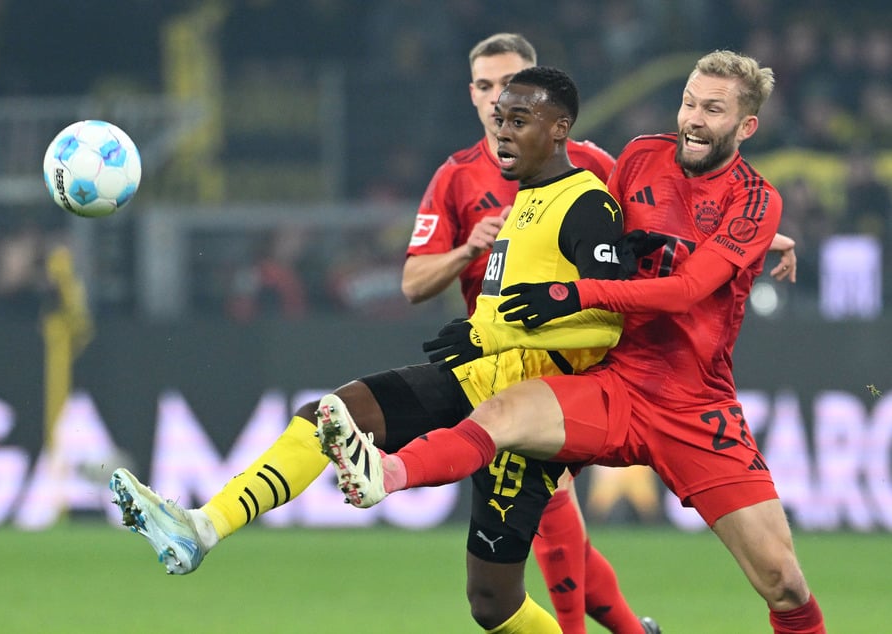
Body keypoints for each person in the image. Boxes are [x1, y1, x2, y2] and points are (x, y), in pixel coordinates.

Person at [109, 60, 660, 633]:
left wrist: (496, 332)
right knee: (328, 416)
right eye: (499, 119)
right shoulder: (523, 201)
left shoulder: (587, 203)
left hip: (533, 414)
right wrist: (482, 335)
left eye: (520, 119)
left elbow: (612, 320)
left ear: (560, 128)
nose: (503, 131)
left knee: (492, 601)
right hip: (477, 379)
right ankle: (200, 528)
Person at [319, 52, 826, 634]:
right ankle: (386, 473)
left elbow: (686, 290)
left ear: (746, 125)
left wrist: (573, 294)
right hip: (613, 376)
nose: (693, 118)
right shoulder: (639, 155)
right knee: (504, 414)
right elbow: (588, 216)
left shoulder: (756, 200)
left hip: (694, 404)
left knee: (783, 583)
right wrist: (496, 329)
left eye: (713, 109)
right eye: (689, 101)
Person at [401, 32, 656, 634]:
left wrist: (742, 240)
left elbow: (652, 221)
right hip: (489, 363)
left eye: (514, 89)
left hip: (567, 362)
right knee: (548, 516)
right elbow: (413, 282)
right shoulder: (457, 177)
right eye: (488, 89)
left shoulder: (587, 165)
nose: (501, 103)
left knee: (549, 498)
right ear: (473, 96)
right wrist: (468, 248)